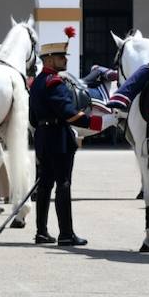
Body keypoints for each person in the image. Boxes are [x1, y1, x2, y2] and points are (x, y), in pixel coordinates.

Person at [28, 29, 102, 246]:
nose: (65, 60)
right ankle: (66, 234)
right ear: (49, 59)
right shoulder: (54, 83)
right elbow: (71, 115)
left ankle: (41, 232)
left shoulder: (38, 83)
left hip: (42, 138)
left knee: (44, 185)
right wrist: (101, 123)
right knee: (63, 184)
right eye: (61, 57)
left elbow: (33, 118)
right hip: (58, 140)